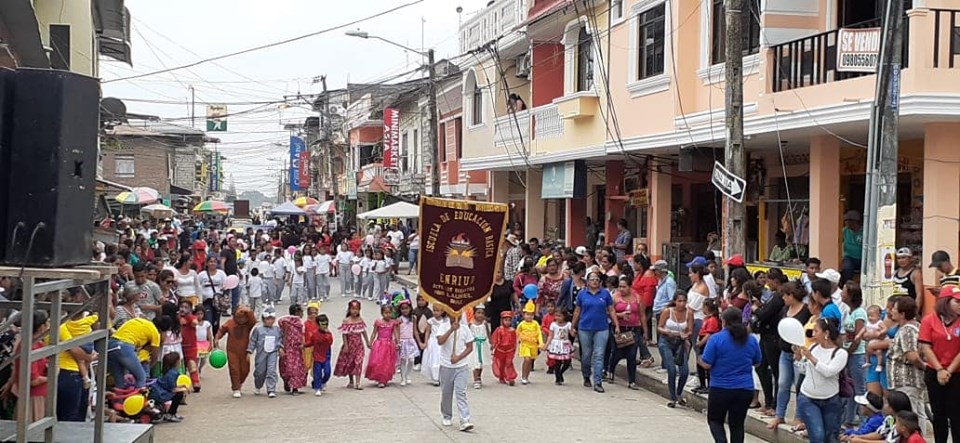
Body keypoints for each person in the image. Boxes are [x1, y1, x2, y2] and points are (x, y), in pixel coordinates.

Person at [701, 307, 763, 443]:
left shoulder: (716, 339)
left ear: (723, 321)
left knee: (715, 420)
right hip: (745, 388)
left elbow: (707, 364)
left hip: (720, 388)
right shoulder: (751, 340)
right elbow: (757, 362)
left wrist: (698, 357)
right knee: (737, 425)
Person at [794, 318, 848, 443]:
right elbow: (804, 369)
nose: (813, 334)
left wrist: (811, 358)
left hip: (831, 400)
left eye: (816, 331)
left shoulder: (840, 353)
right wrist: (798, 357)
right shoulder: (813, 347)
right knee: (817, 436)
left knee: (830, 437)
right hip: (808, 397)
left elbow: (829, 372)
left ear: (826, 333)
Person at [768, 282, 812, 430]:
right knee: (782, 384)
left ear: (791, 295)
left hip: (799, 354)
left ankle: (799, 416)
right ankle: (779, 415)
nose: (783, 298)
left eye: (785, 296)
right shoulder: (785, 309)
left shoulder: (805, 311)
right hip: (785, 352)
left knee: (800, 386)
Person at [919, 286, 960, 443]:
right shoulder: (929, 320)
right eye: (957, 302)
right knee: (939, 414)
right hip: (934, 372)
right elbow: (926, 347)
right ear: (946, 302)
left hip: (956, 373)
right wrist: (940, 369)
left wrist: (948, 370)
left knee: (956, 414)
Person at [572, 270, 620, 393]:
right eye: (592, 279)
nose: (594, 281)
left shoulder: (605, 294)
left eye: (597, 279)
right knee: (586, 355)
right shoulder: (582, 294)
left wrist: (616, 325)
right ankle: (586, 374)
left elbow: (611, 310)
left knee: (599, 355)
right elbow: (577, 311)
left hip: (602, 328)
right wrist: (573, 326)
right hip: (585, 328)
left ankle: (598, 382)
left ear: (600, 282)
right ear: (587, 282)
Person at [886, 296, 927, 432]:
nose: (892, 311)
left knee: (910, 415)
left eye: (895, 309)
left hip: (907, 381)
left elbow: (912, 356)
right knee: (918, 412)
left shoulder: (907, 330)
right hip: (911, 381)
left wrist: (924, 367)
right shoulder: (915, 327)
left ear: (903, 314)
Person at [437, 314, 475, 432]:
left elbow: (470, 347)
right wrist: (451, 330)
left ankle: (465, 419)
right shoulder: (443, 326)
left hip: (461, 366)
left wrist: (458, 357)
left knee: (461, 392)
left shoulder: (465, 329)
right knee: (446, 392)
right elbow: (440, 341)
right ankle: (446, 415)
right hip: (446, 366)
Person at [659, 290, 694, 407]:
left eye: (684, 301)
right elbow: (660, 327)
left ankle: (679, 393)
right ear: (675, 301)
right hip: (666, 341)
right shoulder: (667, 311)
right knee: (672, 370)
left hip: (680, 343)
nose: (682, 304)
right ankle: (672, 397)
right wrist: (667, 332)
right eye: (679, 301)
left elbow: (690, 330)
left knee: (684, 371)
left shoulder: (689, 313)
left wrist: (686, 335)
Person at [608, 275, 644, 389]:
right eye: (620, 287)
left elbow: (642, 315)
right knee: (617, 353)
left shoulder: (637, 298)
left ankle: (632, 381)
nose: (621, 289)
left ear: (630, 287)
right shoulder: (615, 297)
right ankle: (610, 371)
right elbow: (609, 312)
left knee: (632, 355)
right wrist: (620, 315)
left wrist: (645, 332)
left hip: (633, 329)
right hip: (619, 329)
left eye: (624, 287)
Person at [841, 282, 868, 428]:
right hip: (849, 353)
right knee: (850, 388)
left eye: (844, 291)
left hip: (857, 354)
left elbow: (858, 338)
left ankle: (864, 422)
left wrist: (848, 352)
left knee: (859, 389)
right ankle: (849, 419)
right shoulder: (848, 311)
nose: (841, 293)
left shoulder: (859, 313)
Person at [214, 306, 256, 398]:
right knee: (234, 369)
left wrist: (248, 311)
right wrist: (217, 338)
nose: (241, 320)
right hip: (232, 351)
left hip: (245, 351)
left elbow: (253, 320)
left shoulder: (248, 325)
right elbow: (222, 330)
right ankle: (236, 387)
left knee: (245, 370)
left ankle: (239, 383)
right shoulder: (230, 323)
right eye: (238, 317)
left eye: (243, 318)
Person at [108, 317, 163, 389]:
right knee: (141, 377)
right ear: (160, 330)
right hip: (125, 347)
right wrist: (149, 367)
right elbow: (155, 356)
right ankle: (138, 395)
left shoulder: (138, 320)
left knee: (119, 382)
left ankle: (119, 395)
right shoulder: (155, 332)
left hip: (111, 344)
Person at [335, 300, 370, 390]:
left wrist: (367, 342)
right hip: (350, 346)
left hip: (359, 345)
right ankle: (351, 381)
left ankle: (358, 383)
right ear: (349, 309)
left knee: (358, 362)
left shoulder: (360, 320)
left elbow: (363, 331)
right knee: (350, 363)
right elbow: (344, 334)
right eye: (353, 309)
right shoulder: (346, 321)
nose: (355, 311)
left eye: (357, 309)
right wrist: (346, 345)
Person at [248, 308, 283, 398]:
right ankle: (258, 385)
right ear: (263, 319)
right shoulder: (258, 330)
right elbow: (253, 341)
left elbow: (279, 340)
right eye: (268, 319)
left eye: (272, 319)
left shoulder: (277, 330)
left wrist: (280, 347)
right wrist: (250, 350)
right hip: (261, 354)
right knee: (260, 372)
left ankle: (271, 389)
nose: (270, 321)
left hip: (272, 353)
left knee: (271, 370)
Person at [365, 304, 399, 388]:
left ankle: (384, 379)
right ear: (382, 313)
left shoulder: (393, 323)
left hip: (389, 345)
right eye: (386, 313)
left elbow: (395, 333)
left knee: (387, 362)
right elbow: (374, 333)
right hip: (379, 344)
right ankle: (379, 377)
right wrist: (370, 342)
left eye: (389, 312)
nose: (388, 314)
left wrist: (398, 343)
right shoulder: (378, 322)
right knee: (378, 361)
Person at [277, 304, 307, 395]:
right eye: (302, 312)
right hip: (292, 348)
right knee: (292, 368)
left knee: (291, 367)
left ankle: (294, 386)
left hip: (295, 348)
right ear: (298, 312)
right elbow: (285, 335)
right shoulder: (290, 323)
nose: (303, 314)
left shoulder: (289, 322)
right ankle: (289, 383)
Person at [305, 313, 334, 396]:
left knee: (327, 372)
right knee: (317, 373)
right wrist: (304, 345)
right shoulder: (314, 334)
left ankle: (323, 382)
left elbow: (330, 342)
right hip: (317, 356)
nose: (324, 326)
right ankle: (317, 388)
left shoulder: (329, 334)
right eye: (322, 324)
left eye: (326, 324)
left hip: (326, 355)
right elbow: (311, 342)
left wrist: (327, 334)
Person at [516, 300, 543, 385]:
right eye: (527, 314)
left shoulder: (535, 324)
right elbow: (516, 334)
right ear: (524, 315)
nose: (529, 316)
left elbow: (539, 334)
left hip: (533, 345)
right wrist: (514, 343)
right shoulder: (521, 324)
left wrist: (541, 343)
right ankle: (523, 376)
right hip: (525, 345)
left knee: (530, 361)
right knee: (527, 359)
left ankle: (526, 377)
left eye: (531, 315)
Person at [198, 256, 226, 335]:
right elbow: (197, 286)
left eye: (214, 262)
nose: (212, 263)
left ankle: (216, 338)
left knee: (216, 321)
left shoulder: (221, 274)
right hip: (206, 301)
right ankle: (207, 338)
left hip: (218, 302)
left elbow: (225, 285)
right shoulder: (202, 274)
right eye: (210, 261)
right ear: (207, 263)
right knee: (208, 320)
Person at [397, 300, 421, 386]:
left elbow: (415, 331)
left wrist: (419, 341)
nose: (405, 310)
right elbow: (397, 332)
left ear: (410, 308)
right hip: (402, 341)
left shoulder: (413, 318)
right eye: (402, 309)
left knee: (411, 360)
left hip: (410, 340)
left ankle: (408, 375)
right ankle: (403, 378)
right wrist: (397, 341)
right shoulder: (399, 319)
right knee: (403, 360)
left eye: (406, 308)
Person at [893, 248, 924, 313]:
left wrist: (915, 312)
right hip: (896, 310)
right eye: (899, 258)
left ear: (910, 259)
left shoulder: (915, 273)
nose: (901, 260)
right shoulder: (895, 272)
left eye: (904, 258)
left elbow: (919, 295)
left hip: (908, 310)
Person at [491, 311, 518, 385]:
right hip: (500, 350)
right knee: (501, 364)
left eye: (509, 320)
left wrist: (514, 349)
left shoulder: (512, 330)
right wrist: (493, 346)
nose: (507, 322)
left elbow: (514, 341)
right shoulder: (499, 329)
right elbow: (494, 339)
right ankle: (502, 377)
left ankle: (510, 377)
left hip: (510, 350)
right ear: (502, 320)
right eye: (506, 320)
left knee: (509, 363)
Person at [469, 306, 491, 389]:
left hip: (483, 345)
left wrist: (491, 342)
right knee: (475, 362)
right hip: (474, 345)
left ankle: (479, 377)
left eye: (482, 313)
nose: (480, 315)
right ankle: (476, 379)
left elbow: (488, 333)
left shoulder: (484, 323)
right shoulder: (471, 324)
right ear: (474, 314)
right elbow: (467, 335)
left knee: (481, 363)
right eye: (478, 313)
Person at [840, 210, 863, 285]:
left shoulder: (864, 231)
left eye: (847, 221)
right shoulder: (844, 231)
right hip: (849, 257)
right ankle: (846, 286)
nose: (846, 223)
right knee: (846, 268)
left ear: (855, 221)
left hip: (863, 258)